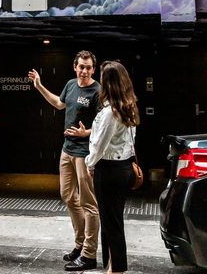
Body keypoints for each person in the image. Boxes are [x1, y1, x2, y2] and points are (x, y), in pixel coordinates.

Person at [28, 51, 100, 272]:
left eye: (88, 67)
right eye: (81, 67)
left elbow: (103, 126)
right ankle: (79, 245)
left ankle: (89, 254)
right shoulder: (70, 85)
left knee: (89, 204)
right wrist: (39, 86)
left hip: (84, 152)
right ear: (74, 67)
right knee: (68, 195)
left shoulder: (97, 91)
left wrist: (85, 133)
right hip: (67, 149)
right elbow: (59, 105)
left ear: (93, 69)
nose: (84, 71)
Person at [85, 60, 140, 274]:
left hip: (109, 170)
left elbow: (99, 144)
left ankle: (116, 269)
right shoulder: (129, 107)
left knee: (111, 223)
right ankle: (111, 266)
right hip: (124, 167)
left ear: (108, 83)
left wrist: (90, 165)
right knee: (112, 220)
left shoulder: (110, 112)